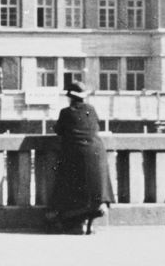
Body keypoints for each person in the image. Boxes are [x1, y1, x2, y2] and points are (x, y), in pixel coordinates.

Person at [48, 82, 115, 234]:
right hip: (97, 152)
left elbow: (59, 130)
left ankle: (76, 223)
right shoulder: (91, 110)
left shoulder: (66, 112)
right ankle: (91, 218)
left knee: (71, 188)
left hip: (76, 153)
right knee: (94, 189)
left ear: (70, 98)